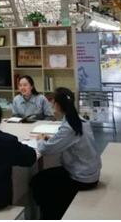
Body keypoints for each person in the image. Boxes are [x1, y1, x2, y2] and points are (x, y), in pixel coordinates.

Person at [30, 87, 102, 220]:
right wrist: (53, 139)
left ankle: (50, 216)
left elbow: (45, 150)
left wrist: (40, 140)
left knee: (37, 181)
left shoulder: (69, 126)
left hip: (81, 177)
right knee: (45, 179)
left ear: (57, 104)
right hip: (89, 171)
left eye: (52, 101)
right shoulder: (78, 120)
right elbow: (68, 139)